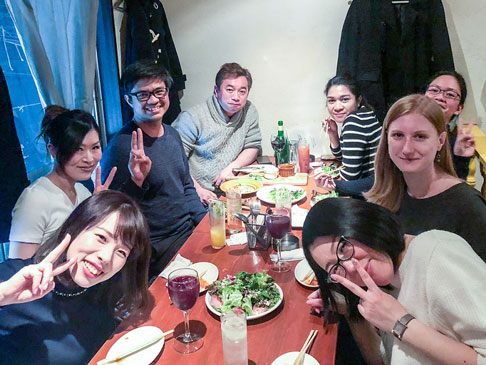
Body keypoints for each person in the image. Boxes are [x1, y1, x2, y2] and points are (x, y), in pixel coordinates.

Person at [303, 198, 486, 364]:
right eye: (335, 268)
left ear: (360, 221)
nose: (350, 267)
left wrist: (399, 322)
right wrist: (350, 309)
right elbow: (381, 361)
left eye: (342, 247)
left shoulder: (437, 254)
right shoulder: (386, 283)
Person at [0, 190, 151, 364]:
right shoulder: (12, 278)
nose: (107, 257)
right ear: (76, 226)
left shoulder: (107, 292)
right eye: (102, 238)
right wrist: (3, 295)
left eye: (121, 252)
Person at [101, 61, 206, 278]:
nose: (154, 100)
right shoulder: (122, 147)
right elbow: (114, 212)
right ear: (128, 100)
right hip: (154, 248)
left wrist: (204, 223)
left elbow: (186, 185)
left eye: (159, 91)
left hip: (186, 233)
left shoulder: (172, 134)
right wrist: (136, 182)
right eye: (143, 94)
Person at [365, 94, 486, 261]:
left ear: (440, 141)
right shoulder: (386, 194)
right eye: (398, 135)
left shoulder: (467, 205)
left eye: (420, 136)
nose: (407, 149)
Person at [9, 107, 116, 259]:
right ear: (53, 150)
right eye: (78, 149)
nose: (89, 158)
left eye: (95, 147)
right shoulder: (34, 199)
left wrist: (96, 207)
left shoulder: (83, 193)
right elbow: (17, 268)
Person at [172, 62, 262, 204]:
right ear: (216, 91)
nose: (236, 97)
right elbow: (175, 162)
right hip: (198, 193)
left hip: (235, 188)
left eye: (242, 91)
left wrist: (233, 167)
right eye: (230, 90)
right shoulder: (192, 118)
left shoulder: (249, 110)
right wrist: (197, 190)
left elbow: (253, 146)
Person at [316, 75, 381, 198]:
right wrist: (333, 134)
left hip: (370, 197)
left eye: (345, 99)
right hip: (374, 190)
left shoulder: (354, 121)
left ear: (358, 99)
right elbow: (344, 159)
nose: (337, 107)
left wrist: (327, 180)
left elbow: (349, 177)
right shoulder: (366, 114)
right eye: (331, 101)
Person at [424, 71, 475, 179]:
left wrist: (460, 158)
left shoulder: (455, 144)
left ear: (459, 108)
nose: (440, 97)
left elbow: (457, 190)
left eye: (450, 94)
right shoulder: (403, 131)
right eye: (434, 90)